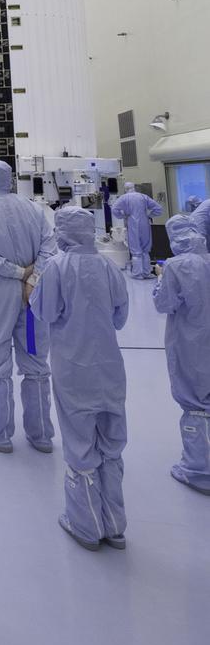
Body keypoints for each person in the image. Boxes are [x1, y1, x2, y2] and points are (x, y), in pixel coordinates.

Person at [30, 206, 129, 551]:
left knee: (80, 442)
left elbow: (43, 311)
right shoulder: (108, 266)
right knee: (112, 443)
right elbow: (121, 316)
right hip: (110, 367)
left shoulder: (57, 267)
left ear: (63, 232)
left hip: (73, 365)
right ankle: (115, 524)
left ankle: (85, 525)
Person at [0, 159, 56, 454]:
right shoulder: (32, 207)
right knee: (36, 363)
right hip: (32, 298)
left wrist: (18, 274)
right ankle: (41, 434)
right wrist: (34, 277)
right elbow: (49, 246)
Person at [153, 214, 210, 495]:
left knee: (196, 402)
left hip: (191, 341)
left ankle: (199, 470)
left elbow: (164, 304)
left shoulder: (176, 266)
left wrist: (160, 279)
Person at [111, 181, 163, 279]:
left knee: (136, 250)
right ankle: (147, 272)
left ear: (125, 189)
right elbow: (158, 209)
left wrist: (123, 216)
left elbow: (114, 209)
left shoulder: (124, 198)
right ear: (134, 187)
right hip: (145, 223)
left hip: (132, 224)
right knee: (145, 249)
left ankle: (137, 274)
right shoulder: (143, 197)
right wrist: (149, 215)